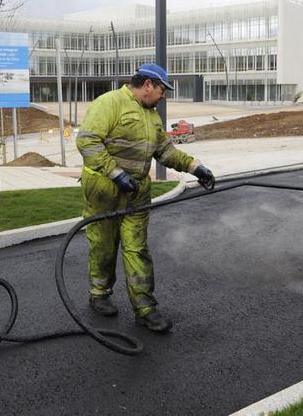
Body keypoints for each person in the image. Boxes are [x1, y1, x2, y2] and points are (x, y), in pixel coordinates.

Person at [75, 63, 215, 332]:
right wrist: (115, 173)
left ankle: (145, 309)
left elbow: (165, 151)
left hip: (137, 192)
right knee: (104, 244)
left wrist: (195, 167)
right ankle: (100, 294)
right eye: (162, 89)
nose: (164, 95)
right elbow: (88, 141)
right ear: (148, 84)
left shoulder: (152, 116)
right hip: (103, 188)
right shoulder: (109, 103)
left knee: (137, 248)